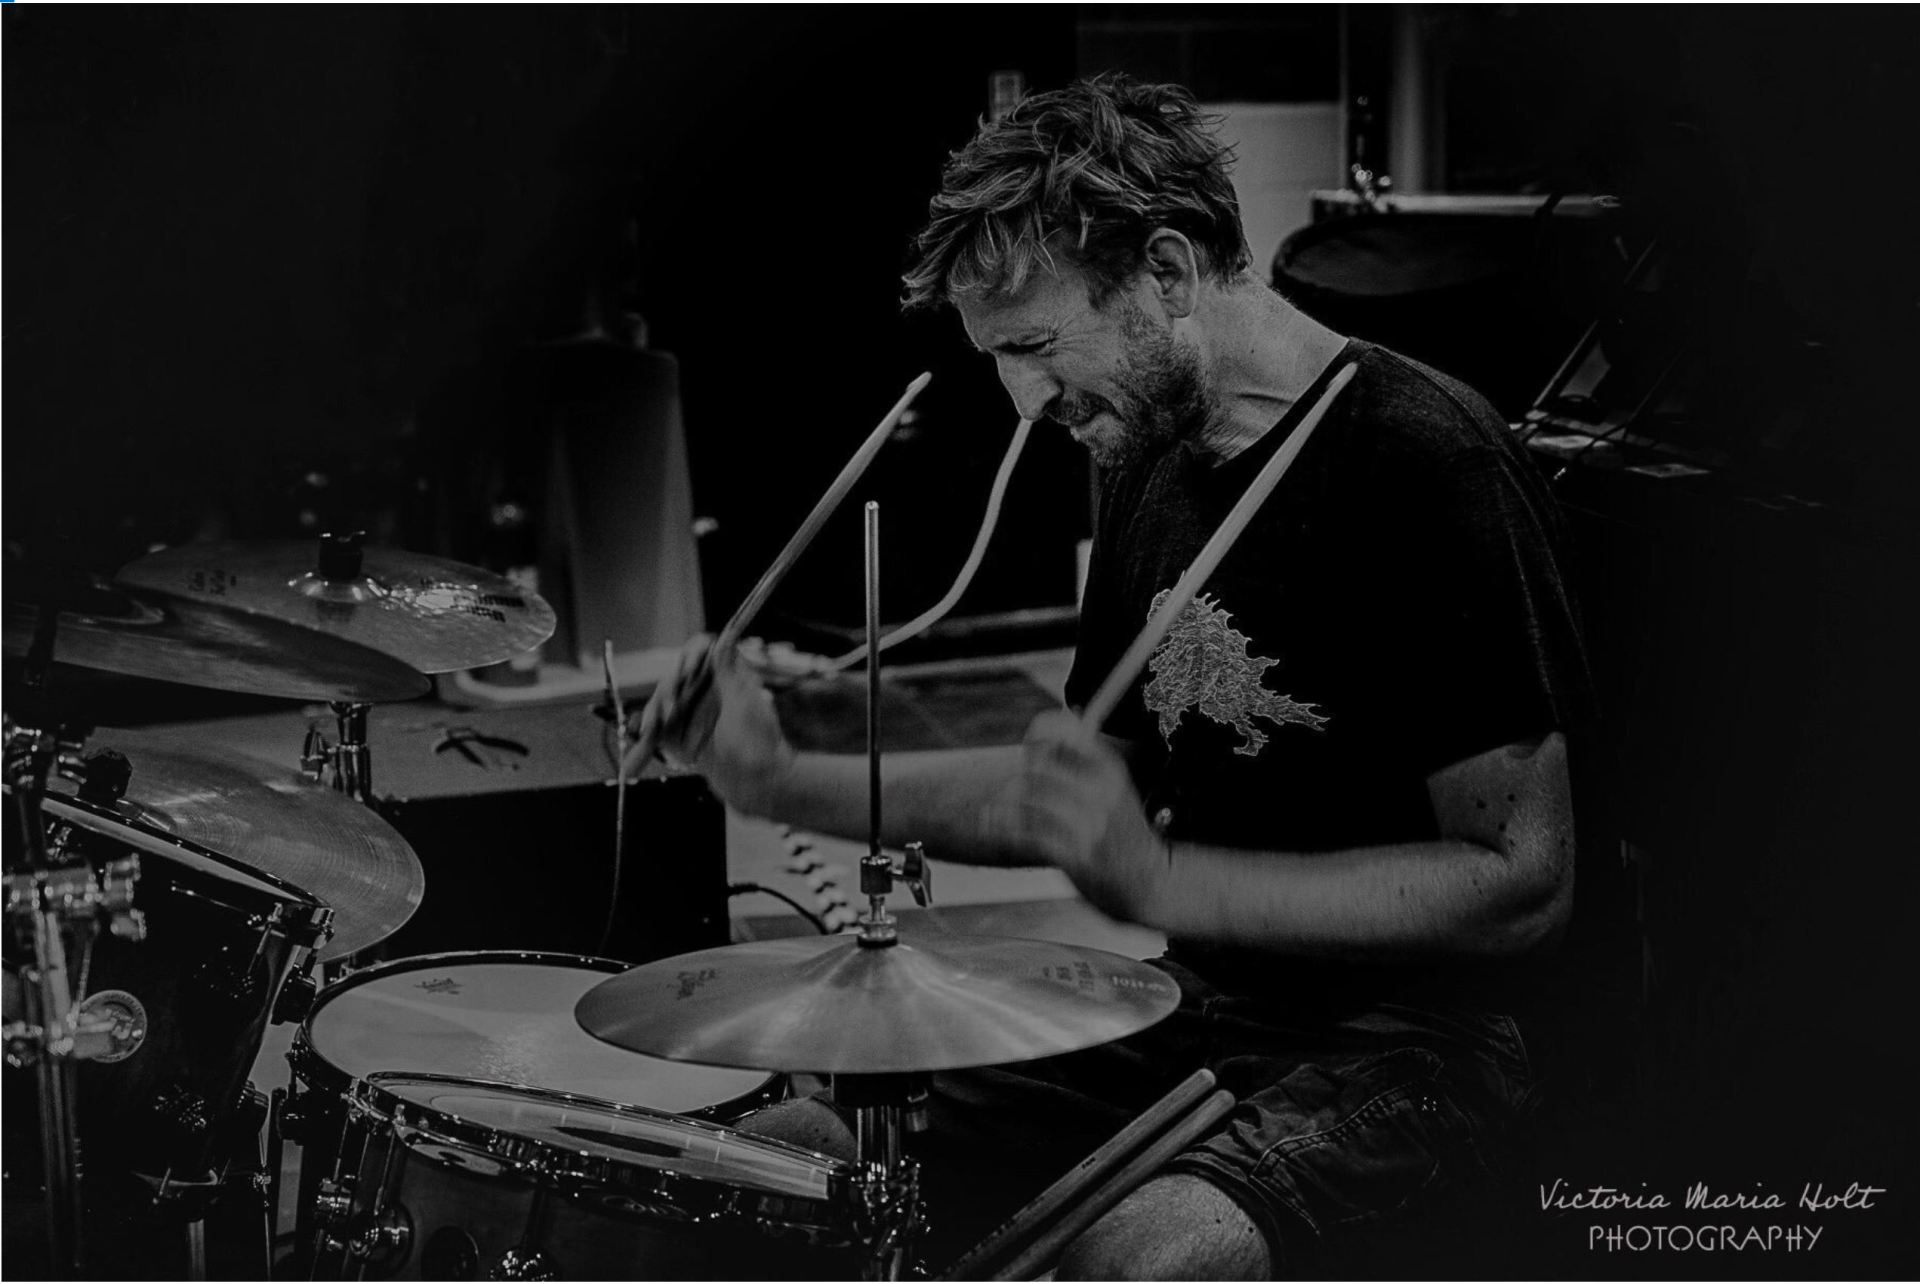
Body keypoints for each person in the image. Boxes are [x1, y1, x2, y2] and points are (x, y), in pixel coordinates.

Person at [639, 74, 1591, 1279]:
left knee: (1146, 1258)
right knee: (797, 1158)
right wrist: (776, 778)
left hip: (1434, 1040)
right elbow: (1073, 791)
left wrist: (1159, 877)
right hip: (1211, 1011)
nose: (1028, 404)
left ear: (1172, 273)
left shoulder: (1429, 463)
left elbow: (1522, 883)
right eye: (999, 359)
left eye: (1036, 346)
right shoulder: (1155, 466)